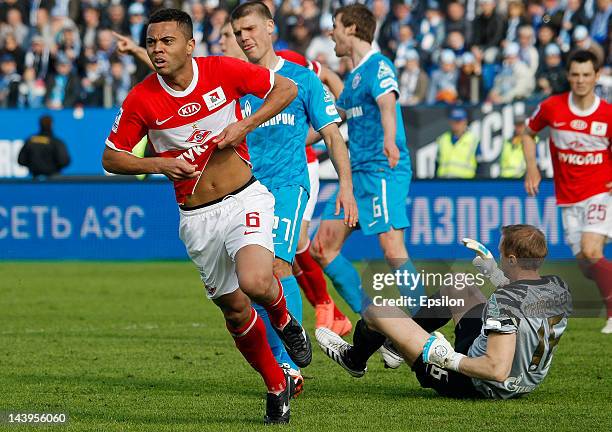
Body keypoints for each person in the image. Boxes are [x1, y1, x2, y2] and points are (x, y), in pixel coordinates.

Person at [101, 9, 311, 424]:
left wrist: (243, 126)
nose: (158, 50)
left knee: (255, 281)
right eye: (151, 43)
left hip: (244, 198)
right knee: (234, 310)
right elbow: (111, 156)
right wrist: (160, 164)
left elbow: (285, 89)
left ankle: (285, 319)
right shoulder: (142, 98)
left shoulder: (221, 70)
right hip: (197, 219)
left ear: (190, 45)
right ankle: (275, 385)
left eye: (166, 41)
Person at [229, 0, 357, 387]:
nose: (244, 38)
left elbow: (333, 135)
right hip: (248, 191)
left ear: (270, 28)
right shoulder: (236, 83)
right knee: (252, 280)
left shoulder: (302, 79)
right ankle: (281, 357)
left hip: (288, 186)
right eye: (238, 33)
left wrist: (346, 188)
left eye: (249, 29)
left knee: (278, 267)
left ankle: (288, 365)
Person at [316, 224, 572, 400]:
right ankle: (394, 348)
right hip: (524, 376)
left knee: (378, 310)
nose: (500, 256)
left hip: (479, 381)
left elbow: (496, 369)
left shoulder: (504, 302)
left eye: (503, 253)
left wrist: (448, 359)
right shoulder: (558, 287)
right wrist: (495, 274)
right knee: (458, 283)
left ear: (514, 260)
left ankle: (354, 360)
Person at [310, 5, 424, 367]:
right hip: (355, 176)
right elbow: (337, 118)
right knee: (321, 248)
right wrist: (300, 141)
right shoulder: (356, 74)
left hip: (383, 169)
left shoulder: (379, 66)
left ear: (354, 29)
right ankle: (381, 325)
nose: (331, 34)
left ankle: (417, 329)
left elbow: (388, 105)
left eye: (335, 27)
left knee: (393, 249)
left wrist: (390, 140)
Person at [523, 50, 612, 334]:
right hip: (568, 197)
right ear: (568, 76)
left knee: (591, 249)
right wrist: (532, 168)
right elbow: (527, 133)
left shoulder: (608, 114)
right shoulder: (552, 107)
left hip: (600, 192)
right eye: (575, 74)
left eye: (586, 75)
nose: (580, 80)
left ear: (597, 76)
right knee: (587, 265)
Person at [436, 107, 478, 179]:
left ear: (465, 121)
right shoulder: (443, 139)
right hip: (444, 181)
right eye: (453, 120)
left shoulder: (473, 140)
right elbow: (437, 163)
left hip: (465, 182)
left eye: (458, 121)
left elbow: (481, 166)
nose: (456, 124)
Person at [500, 114, 529, 178]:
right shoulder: (507, 142)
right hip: (505, 179)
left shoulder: (532, 141)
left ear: (526, 126)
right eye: (517, 125)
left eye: (521, 125)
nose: (519, 128)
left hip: (522, 179)